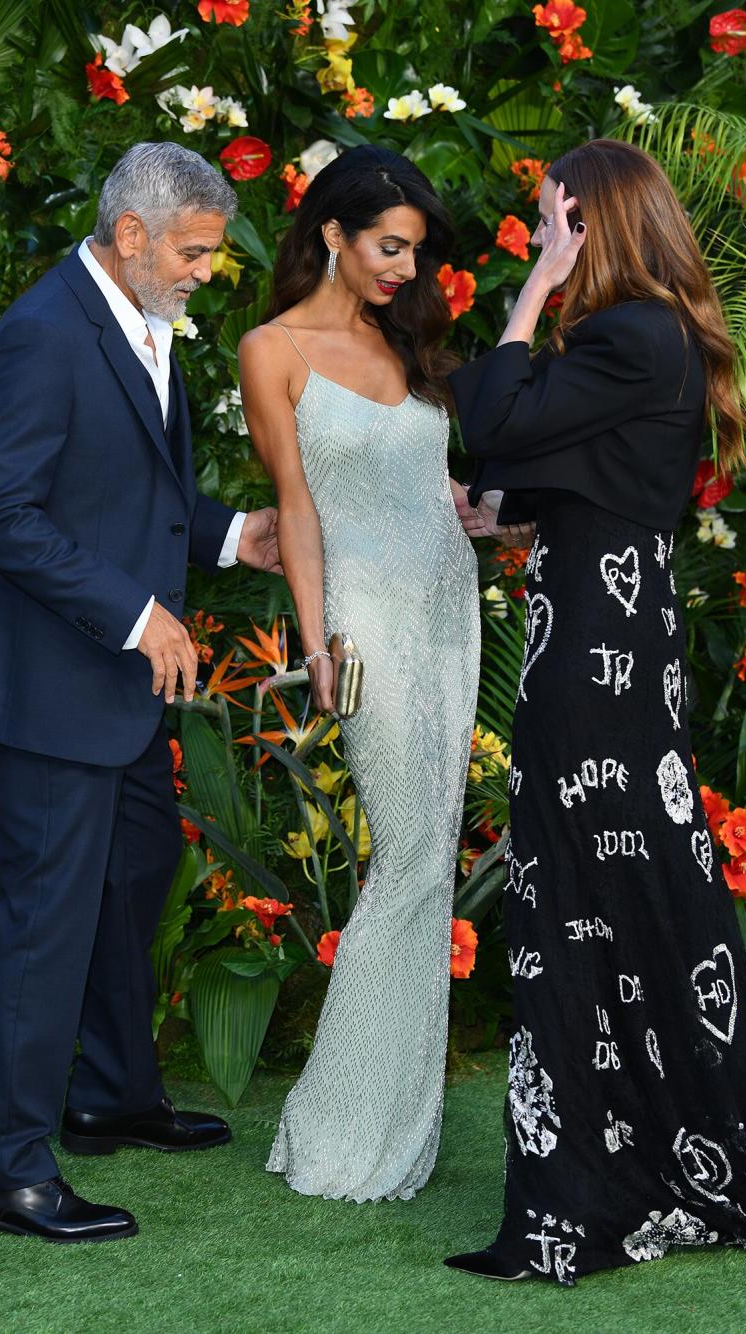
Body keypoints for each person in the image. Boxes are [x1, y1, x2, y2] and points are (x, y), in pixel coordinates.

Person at [444, 138, 746, 1285]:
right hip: (621, 645)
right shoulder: (650, 340)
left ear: (593, 220)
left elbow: (493, 420)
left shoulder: (626, 329)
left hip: (597, 665)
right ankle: (655, 1159)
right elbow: (581, 473)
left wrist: (534, 286)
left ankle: (598, 1193)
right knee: (624, 892)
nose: (544, 231)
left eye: (557, 216)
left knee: (590, 894)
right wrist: (511, 516)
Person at [0, 142, 282, 1243]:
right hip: (58, 681)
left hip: (118, 683)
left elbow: (132, 498)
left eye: (212, 253)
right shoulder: (46, 333)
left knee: (137, 871)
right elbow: (0, 512)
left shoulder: (142, 323)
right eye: (192, 251)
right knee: (48, 920)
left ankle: (108, 1093)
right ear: (131, 234)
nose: (203, 271)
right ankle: (1, 1168)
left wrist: (238, 534)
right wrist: (140, 615)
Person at [239, 145, 480, 1202]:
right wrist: (315, 637)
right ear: (332, 233)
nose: (404, 269)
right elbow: (296, 505)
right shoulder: (270, 348)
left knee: (434, 851)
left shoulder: (403, 339)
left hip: (448, 605)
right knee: (415, 853)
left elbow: (433, 487)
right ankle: (339, 1127)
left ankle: (397, 1121)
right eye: (390, 246)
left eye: (415, 253)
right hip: (368, 619)